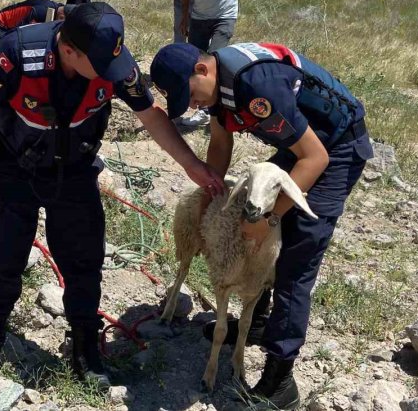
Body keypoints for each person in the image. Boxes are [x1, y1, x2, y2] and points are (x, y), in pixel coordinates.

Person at [0, 3, 225, 388]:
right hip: (18, 166)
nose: (109, 75)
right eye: (99, 66)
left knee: (84, 258)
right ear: (69, 50)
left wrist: (190, 164)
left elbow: (150, 115)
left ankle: (85, 344)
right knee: (4, 251)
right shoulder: (17, 54)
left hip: (76, 168)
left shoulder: (113, 60)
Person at [150, 42, 373, 409]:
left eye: (189, 94)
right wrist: (208, 204)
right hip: (301, 140)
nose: (191, 105)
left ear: (202, 71)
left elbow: (315, 158)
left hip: (335, 147)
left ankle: (280, 379)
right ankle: (255, 323)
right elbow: (220, 145)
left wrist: (271, 220)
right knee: (246, 213)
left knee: (294, 257)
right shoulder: (218, 89)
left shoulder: (256, 88)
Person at [0, 0, 71, 48]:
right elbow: (22, 31)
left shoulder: (59, 8)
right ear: (61, 17)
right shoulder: (42, 12)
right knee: (0, 57)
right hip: (1, 23)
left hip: (13, 25)